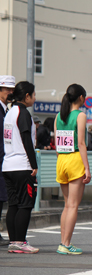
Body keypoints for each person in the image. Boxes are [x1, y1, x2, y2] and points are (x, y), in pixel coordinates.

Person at [55, 84, 91, 255]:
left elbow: (56, 145)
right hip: (75, 159)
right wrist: (87, 168)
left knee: (67, 205)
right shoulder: (81, 115)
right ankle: (66, 244)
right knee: (73, 206)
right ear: (81, 98)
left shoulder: (58, 117)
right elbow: (82, 143)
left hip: (61, 160)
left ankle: (63, 242)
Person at [3, 81, 38, 253]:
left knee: (14, 205)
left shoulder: (9, 112)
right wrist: (34, 164)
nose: (35, 98)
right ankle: (20, 241)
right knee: (25, 204)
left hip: (8, 165)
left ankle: (13, 242)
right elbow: (26, 141)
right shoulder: (23, 113)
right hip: (22, 165)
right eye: (33, 94)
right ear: (26, 96)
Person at [0, 75, 15, 246]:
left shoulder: (7, 110)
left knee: (2, 198)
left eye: (12, 89)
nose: (10, 93)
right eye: (7, 89)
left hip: (4, 160)